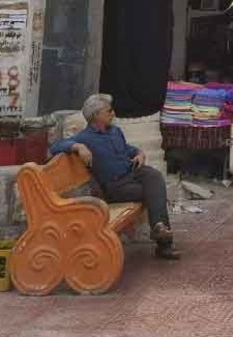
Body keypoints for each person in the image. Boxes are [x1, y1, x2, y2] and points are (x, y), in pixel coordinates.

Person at [49, 94, 180, 260]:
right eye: (109, 111)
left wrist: (139, 153)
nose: (113, 113)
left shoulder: (115, 131)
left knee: (154, 176)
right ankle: (163, 242)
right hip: (116, 187)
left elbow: (127, 149)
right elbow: (56, 147)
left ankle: (159, 228)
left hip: (132, 173)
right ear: (96, 115)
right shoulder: (85, 138)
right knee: (154, 192)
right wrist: (77, 146)